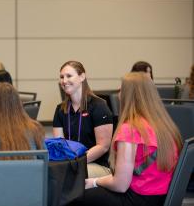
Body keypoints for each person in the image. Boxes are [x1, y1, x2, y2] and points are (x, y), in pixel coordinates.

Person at [78, 72, 183, 206]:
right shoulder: (164, 126)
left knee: (76, 196)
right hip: (161, 198)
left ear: (128, 95)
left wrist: (94, 182)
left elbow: (120, 185)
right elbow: (132, 174)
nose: (119, 94)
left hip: (138, 198)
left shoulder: (130, 130)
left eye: (121, 89)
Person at [53, 60, 113, 178]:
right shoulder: (60, 109)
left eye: (69, 76)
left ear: (82, 77)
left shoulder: (99, 106)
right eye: (61, 77)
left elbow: (103, 146)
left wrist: (76, 162)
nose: (64, 81)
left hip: (97, 165)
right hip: (70, 164)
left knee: (68, 176)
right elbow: (59, 144)